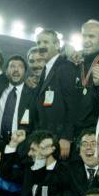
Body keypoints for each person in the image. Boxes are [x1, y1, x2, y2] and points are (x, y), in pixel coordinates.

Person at [33, 29, 78, 160]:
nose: (41, 46)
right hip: (46, 137)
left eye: (45, 42)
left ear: (57, 45)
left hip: (59, 139)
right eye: (38, 43)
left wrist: (66, 137)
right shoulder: (46, 69)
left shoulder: (65, 67)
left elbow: (72, 105)